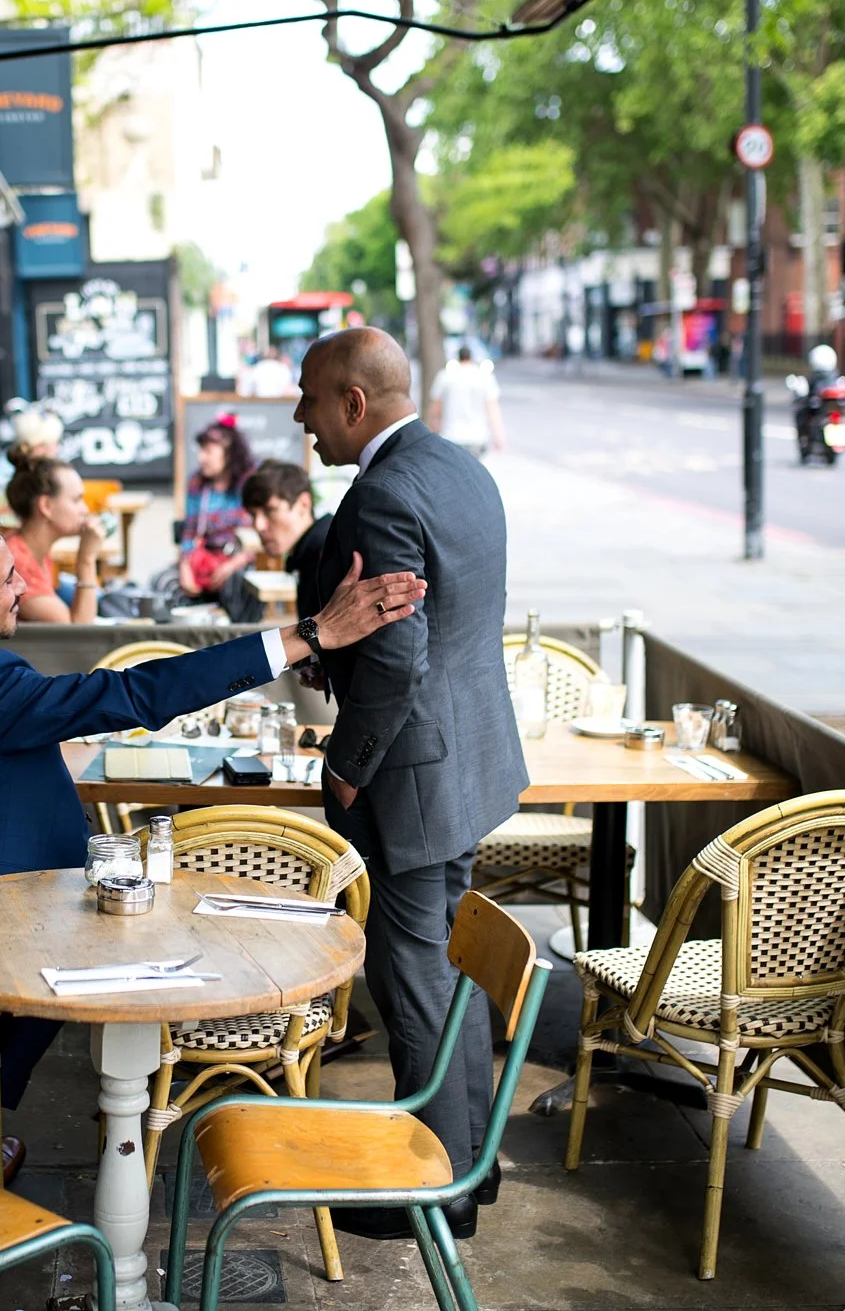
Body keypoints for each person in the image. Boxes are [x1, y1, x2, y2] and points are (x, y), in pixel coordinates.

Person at [0, 503, 426, 1181]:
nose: (24, 585)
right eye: (8, 576)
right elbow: (140, 694)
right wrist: (308, 634)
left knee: (51, 846)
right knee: (79, 935)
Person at [292, 325, 527, 1242]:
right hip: (467, 760)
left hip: (412, 776)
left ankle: (436, 1193)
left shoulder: (381, 495)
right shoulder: (459, 466)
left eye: (310, 398)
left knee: (413, 977)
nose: (299, 416)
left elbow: (395, 660)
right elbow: (440, 628)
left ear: (354, 403)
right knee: (451, 968)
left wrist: (345, 762)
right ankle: (472, 1159)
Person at [2, 454, 101, 623]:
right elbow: (81, 634)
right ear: (46, 506)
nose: (84, 509)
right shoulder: (18, 564)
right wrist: (86, 559)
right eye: (76, 500)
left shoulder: (31, 549)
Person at [176, 417, 257, 619]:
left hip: (239, 560)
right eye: (200, 451)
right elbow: (189, 533)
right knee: (167, 585)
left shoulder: (250, 483)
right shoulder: (197, 484)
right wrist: (185, 567)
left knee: (238, 586)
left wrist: (231, 565)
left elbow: (259, 538)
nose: (201, 458)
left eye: (208, 451)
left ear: (228, 454)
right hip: (204, 559)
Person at [240, 460, 330, 621]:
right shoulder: (313, 551)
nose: (258, 525)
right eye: (253, 515)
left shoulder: (327, 553)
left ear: (303, 504)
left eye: (269, 511)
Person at [0, 407, 64, 509]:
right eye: (55, 443)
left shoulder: (23, 467)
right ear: (39, 447)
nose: (58, 448)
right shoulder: (6, 472)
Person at [425, 345, 504, 457]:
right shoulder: (484, 377)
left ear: (458, 358)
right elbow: (492, 409)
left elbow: (435, 409)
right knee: (474, 471)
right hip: (477, 436)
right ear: (471, 358)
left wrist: (430, 432)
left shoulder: (445, 376)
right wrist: (498, 435)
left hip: (451, 435)